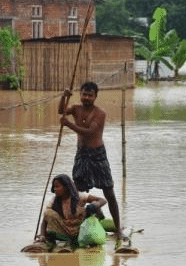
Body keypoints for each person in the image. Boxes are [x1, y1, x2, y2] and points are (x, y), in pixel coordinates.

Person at [58, 81, 124, 241]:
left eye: (90, 95)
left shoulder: (100, 113)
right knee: (75, 191)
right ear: (80, 95)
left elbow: (89, 132)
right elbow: (61, 110)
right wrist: (64, 96)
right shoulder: (75, 109)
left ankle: (118, 229)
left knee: (109, 191)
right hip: (82, 155)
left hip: (97, 156)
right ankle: (77, 223)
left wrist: (68, 124)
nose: (86, 98)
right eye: (84, 94)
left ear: (95, 97)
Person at [35, 174, 106, 248]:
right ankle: (64, 240)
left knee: (95, 207)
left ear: (66, 187)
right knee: (48, 212)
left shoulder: (79, 196)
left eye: (57, 186)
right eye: (54, 187)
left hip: (80, 230)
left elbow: (102, 200)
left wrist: (95, 204)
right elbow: (45, 220)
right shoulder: (54, 201)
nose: (55, 189)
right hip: (65, 230)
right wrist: (42, 235)